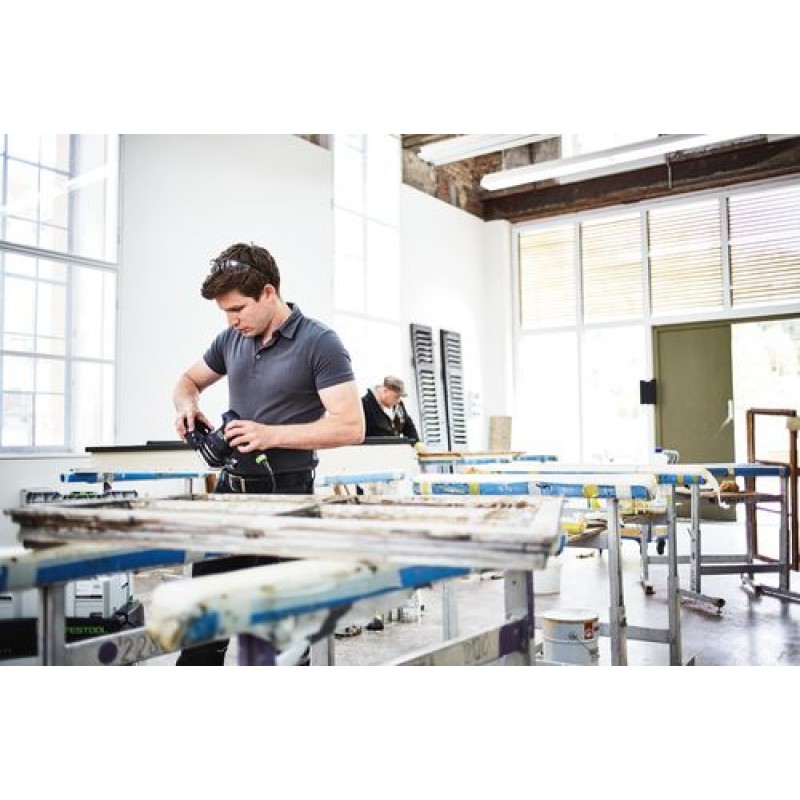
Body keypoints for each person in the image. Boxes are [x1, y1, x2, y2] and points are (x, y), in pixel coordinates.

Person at [172, 241, 365, 665]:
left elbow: (351, 426)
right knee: (202, 632)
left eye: (238, 309)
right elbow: (187, 381)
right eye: (225, 312)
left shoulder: (320, 342)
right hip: (229, 495)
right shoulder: (230, 339)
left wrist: (269, 435)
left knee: (283, 643)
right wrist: (187, 406)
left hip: (289, 499)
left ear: (268, 293)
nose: (231, 320)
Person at [361, 376, 420, 443]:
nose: (399, 401)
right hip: (375, 448)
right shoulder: (365, 405)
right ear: (385, 391)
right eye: (396, 397)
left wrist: (416, 443)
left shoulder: (398, 405)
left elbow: (408, 426)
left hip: (396, 448)